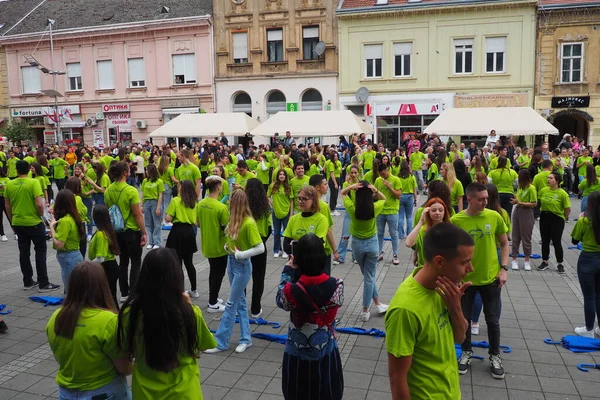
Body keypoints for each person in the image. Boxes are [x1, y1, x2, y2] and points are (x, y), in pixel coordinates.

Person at [386, 223, 474, 400]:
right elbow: (397, 378)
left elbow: (460, 337)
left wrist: (455, 307)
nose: (471, 268)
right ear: (439, 261)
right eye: (464, 262)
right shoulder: (405, 309)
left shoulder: (443, 289)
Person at [117, 248, 216, 398]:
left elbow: (124, 350)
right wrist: (189, 307)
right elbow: (204, 344)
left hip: (145, 393)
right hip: (184, 392)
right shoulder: (190, 313)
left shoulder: (129, 314)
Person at [46, 262, 132, 399]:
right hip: (103, 391)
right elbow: (124, 368)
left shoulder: (56, 317)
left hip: (66, 392)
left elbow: (59, 356)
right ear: (102, 286)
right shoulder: (109, 321)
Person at [276, 234, 344, 400]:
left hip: (297, 355)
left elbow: (280, 300)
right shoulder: (337, 286)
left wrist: (288, 271)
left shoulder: (290, 291)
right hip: (325, 352)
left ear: (298, 260)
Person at [451, 183, 509, 379]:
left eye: (487, 198)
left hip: (491, 278)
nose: (486, 201)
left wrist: (504, 269)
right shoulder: (456, 220)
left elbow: (504, 243)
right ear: (470, 199)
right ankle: (466, 352)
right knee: (464, 319)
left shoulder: (494, 217)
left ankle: (495, 356)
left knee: (492, 321)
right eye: (482, 199)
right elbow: (451, 251)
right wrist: (454, 276)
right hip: (466, 281)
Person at [205, 190, 265, 354]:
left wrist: (241, 254)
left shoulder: (248, 223)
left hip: (242, 266)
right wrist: (228, 248)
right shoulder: (234, 220)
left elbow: (260, 248)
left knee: (231, 305)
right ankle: (246, 338)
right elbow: (231, 241)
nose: (228, 203)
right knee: (239, 303)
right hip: (232, 263)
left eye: (231, 201)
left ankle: (221, 342)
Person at [5, 160, 60, 292]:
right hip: (34, 222)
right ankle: (43, 283)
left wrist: (12, 220)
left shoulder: (9, 184)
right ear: (29, 169)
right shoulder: (33, 182)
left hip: (18, 222)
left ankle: (28, 281)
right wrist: (42, 217)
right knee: (40, 251)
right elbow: (40, 204)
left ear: (16, 170)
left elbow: (7, 205)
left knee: (24, 252)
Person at [344, 181, 388, 321]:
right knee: (369, 277)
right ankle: (367, 309)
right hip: (372, 244)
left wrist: (351, 186)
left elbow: (342, 193)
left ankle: (376, 304)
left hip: (357, 245)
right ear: (370, 195)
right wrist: (376, 190)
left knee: (368, 276)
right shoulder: (374, 208)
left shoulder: (352, 208)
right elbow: (384, 199)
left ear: (356, 194)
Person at [105, 162, 147, 302]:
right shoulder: (131, 191)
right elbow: (137, 215)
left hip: (117, 230)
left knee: (123, 262)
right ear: (125, 173)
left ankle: (124, 292)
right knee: (135, 262)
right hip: (131, 230)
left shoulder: (108, 190)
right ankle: (133, 293)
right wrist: (144, 232)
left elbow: (109, 210)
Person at [197, 176, 229, 314]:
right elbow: (227, 227)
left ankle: (213, 298)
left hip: (207, 244)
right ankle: (212, 302)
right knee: (218, 273)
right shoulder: (221, 207)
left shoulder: (201, 203)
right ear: (218, 187)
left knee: (213, 272)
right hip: (219, 246)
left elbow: (197, 223)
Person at [571, 191, 600, 338]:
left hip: (587, 259)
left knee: (589, 296)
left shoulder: (584, 221)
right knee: (599, 295)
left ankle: (589, 328)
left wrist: (580, 220)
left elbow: (575, 240)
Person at [165, 180, 199, 297]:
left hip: (177, 231)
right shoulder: (194, 202)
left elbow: (168, 218)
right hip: (189, 232)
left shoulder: (175, 200)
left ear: (182, 188)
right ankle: (194, 290)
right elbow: (196, 221)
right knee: (189, 263)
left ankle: (180, 290)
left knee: (177, 263)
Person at [245, 178, 272, 318]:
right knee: (258, 277)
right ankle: (256, 308)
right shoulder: (266, 206)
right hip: (260, 245)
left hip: (244, 244)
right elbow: (269, 229)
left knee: (242, 277)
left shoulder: (243, 205)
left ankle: (241, 307)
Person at [538, 172, 571, 273]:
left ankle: (560, 263)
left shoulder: (562, 194)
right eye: (548, 178)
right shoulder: (543, 191)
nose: (548, 180)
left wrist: (563, 218)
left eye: (551, 178)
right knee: (545, 240)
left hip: (557, 218)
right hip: (544, 217)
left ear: (557, 181)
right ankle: (545, 261)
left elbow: (567, 209)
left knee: (556, 241)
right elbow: (540, 202)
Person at [89, 205, 120, 306]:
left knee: (108, 298)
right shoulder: (106, 230)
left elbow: (100, 258)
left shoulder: (101, 234)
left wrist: (87, 265)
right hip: (110, 267)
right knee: (111, 296)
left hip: (106, 268)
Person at [405, 197, 450, 267]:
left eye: (440, 210)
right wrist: (421, 221)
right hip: (424, 271)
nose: (437, 213)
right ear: (428, 212)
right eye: (434, 210)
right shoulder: (423, 230)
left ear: (445, 212)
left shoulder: (451, 230)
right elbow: (408, 243)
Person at [310, 174, 340, 274]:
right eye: (325, 184)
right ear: (317, 187)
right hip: (323, 248)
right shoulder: (322, 206)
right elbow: (327, 229)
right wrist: (335, 250)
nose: (327, 186)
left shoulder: (308, 203)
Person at [374, 163, 402, 265]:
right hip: (380, 211)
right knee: (379, 233)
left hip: (392, 211)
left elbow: (398, 195)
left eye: (384, 174)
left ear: (388, 170)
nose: (382, 176)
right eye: (380, 174)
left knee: (393, 233)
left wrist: (389, 186)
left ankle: (395, 255)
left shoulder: (396, 180)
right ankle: (379, 253)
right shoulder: (378, 180)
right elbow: (376, 195)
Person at [510, 169, 537, 271]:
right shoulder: (520, 187)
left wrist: (520, 202)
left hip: (526, 213)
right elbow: (518, 199)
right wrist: (516, 201)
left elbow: (534, 203)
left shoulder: (531, 188)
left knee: (526, 238)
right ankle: (514, 259)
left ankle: (527, 260)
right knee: (515, 237)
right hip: (517, 211)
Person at [336, 165, 360, 264]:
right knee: (345, 235)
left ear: (358, 173)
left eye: (355, 172)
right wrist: (350, 186)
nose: (353, 174)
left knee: (356, 236)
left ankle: (356, 257)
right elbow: (343, 195)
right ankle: (340, 256)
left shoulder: (360, 184)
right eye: (352, 172)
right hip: (348, 212)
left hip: (358, 213)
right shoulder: (346, 184)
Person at [268, 169, 293, 258]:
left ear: (286, 176)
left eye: (283, 174)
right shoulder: (273, 186)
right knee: (277, 232)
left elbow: (291, 200)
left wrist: (291, 213)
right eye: (280, 174)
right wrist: (272, 203)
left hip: (286, 212)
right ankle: (277, 249)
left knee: (286, 233)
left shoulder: (288, 186)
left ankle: (286, 251)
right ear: (277, 176)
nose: (281, 176)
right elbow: (267, 196)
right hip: (276, 212)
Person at [140, 164, 164, 249]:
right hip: (147, 202)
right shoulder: (145, 181)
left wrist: (158, 207)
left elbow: (160, 195)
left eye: (147, 170)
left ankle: (157, 241)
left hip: (155, 201)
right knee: (148, 223)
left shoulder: (159, 181)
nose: (146, 172)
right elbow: (142, 192)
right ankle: (151, 242)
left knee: (157, 223)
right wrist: (142, 205)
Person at [397, 161, 417, 240]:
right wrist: (415, 199)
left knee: (400, 216)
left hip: (401, 197)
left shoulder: (398, 177)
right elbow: (414, 189)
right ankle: (409, 234)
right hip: (409, 197)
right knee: (409, 216)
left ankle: (400, 234)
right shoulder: (411, 176)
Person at [0, 167, 10, 241]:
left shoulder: (6, 179)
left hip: (5, 198)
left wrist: (4, 188)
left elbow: (10, 190)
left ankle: (16, 232)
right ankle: (2, 234)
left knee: (9, 215)